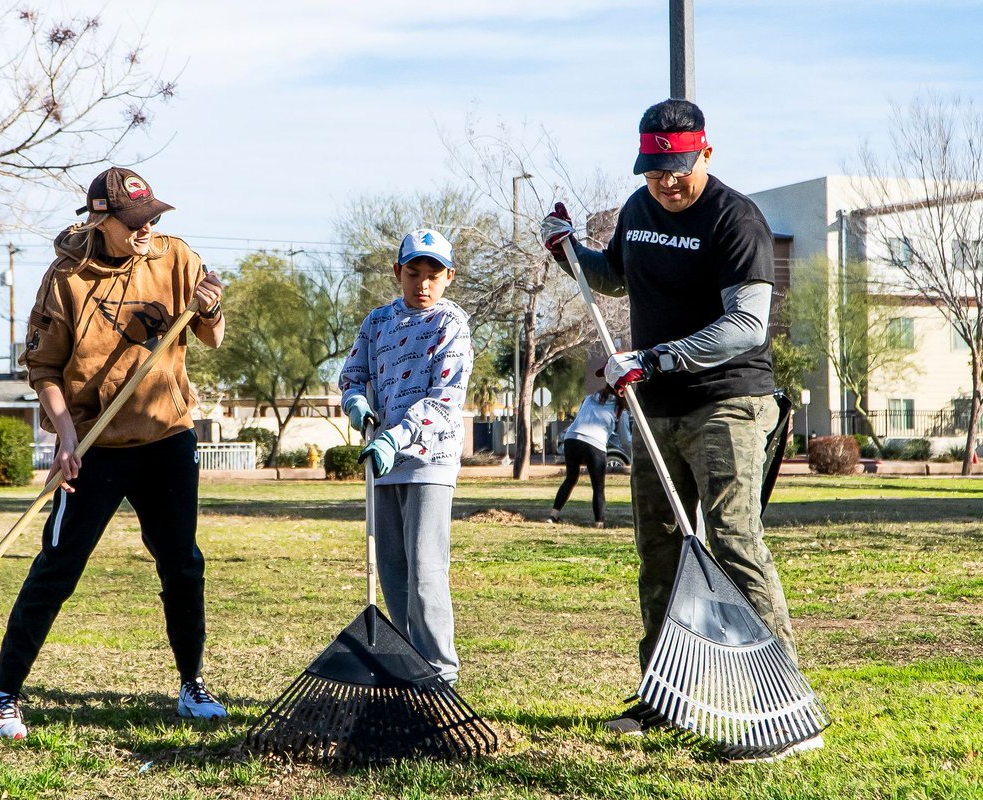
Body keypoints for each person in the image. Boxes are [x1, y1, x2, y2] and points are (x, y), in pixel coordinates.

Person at [541, 99, 820, 758]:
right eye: (655, 168)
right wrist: (567, 252)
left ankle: (783, 706)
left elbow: (746, 325)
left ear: (706, 155)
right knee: (660, 551)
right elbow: (613, 275)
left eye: (679, 167)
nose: (667, 181)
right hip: (655, 407)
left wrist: (658, 357)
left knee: (733, 542)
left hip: (727, 404)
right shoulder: (639, 211)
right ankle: (669, 696)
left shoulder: (735, 218)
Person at [0, 167, 228, 739]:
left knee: (183, 565)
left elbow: (211, 338)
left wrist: (209, 307)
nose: (148, 229)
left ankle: (192, 686)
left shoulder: (175, 258)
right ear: (99, 219)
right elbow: (43, 370)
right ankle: (3, 697)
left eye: (154, 218)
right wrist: (65, 438)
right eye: (136, 221)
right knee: (58, 568)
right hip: (94, 447)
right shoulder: (66, 279)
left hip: (167, 437)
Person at [338, 228, 473, 685]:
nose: (422, 284)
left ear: (449, 276)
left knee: (425, 568)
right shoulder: (377, 322)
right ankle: (404, 664)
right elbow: (352, 374)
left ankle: (441, 676)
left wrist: (397, 437)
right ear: (397, 272)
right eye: (412, 273)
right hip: (383, 461)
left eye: (433, 275)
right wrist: (355, 401)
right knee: (392, 568)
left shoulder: (451, 325)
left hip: (429, 461)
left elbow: (444, 400)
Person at [550, 386, 621, 527]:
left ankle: (553, 515)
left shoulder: (589, 398)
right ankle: (599, 523)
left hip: (572, 438)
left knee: (571, 478)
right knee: (598, 486)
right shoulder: (618, 407)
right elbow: (622, 435)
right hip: (595, 443)